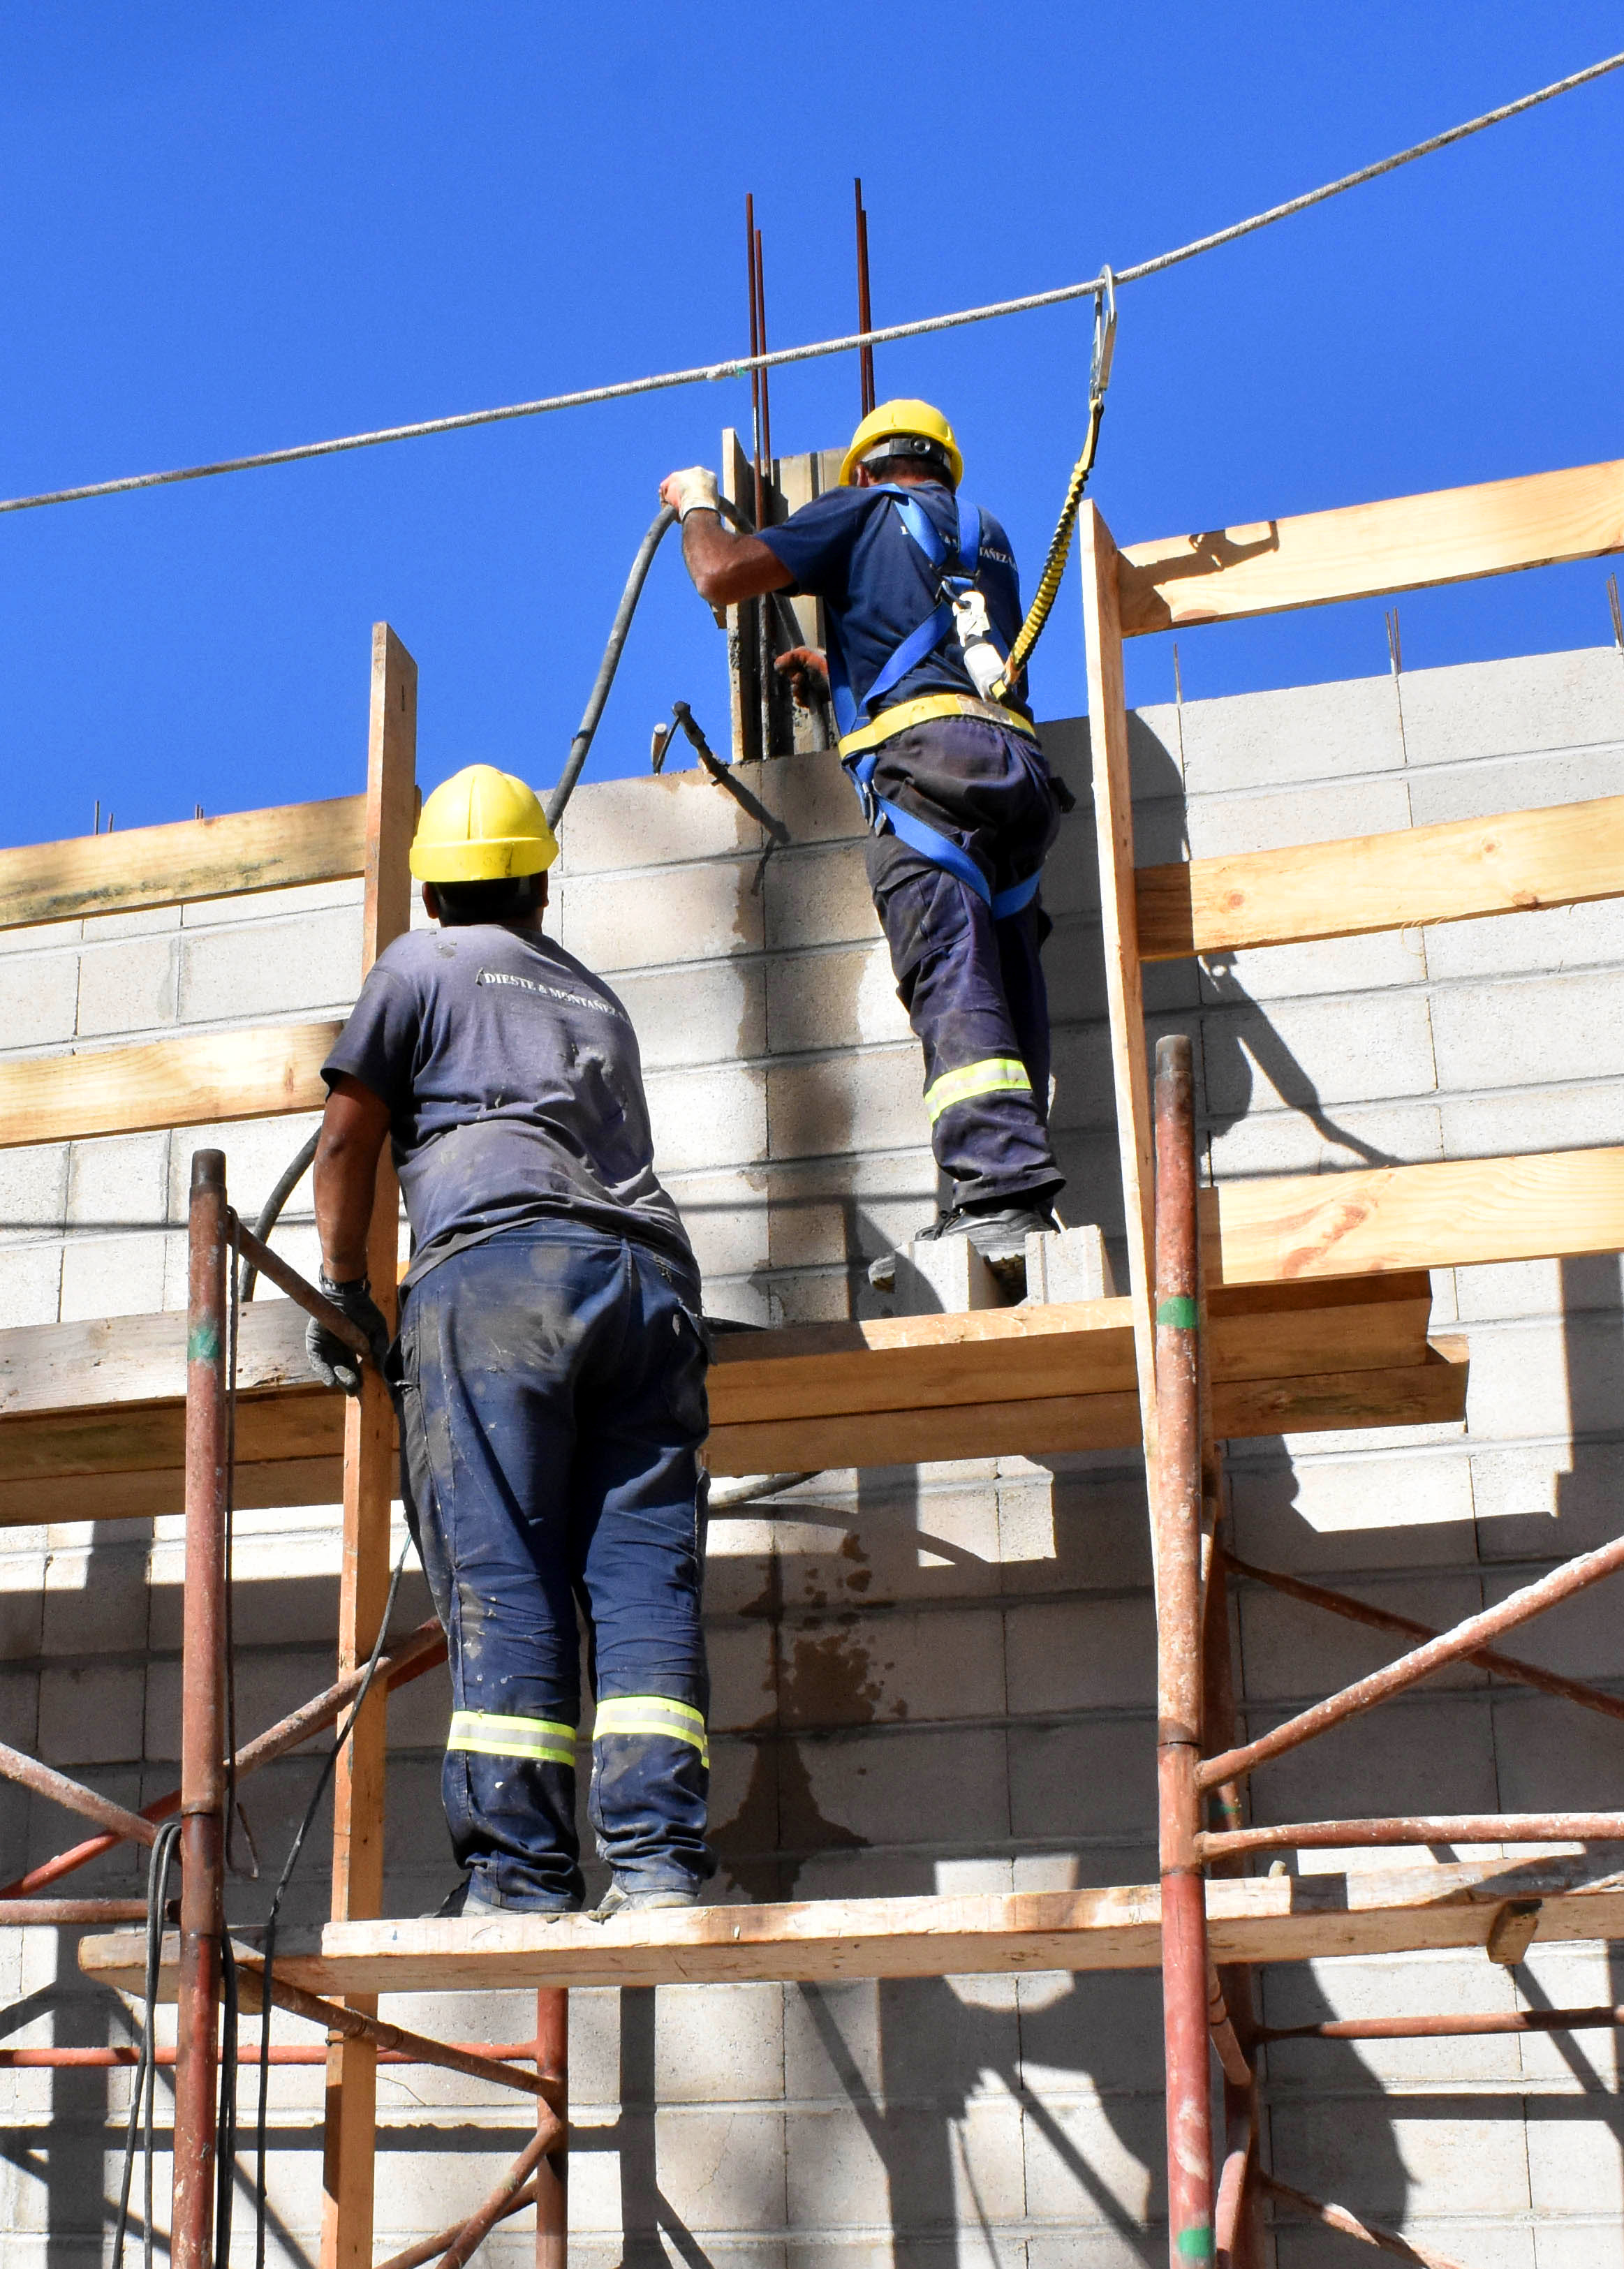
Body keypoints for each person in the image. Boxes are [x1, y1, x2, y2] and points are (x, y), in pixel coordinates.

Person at [302, 763, 718, 1919]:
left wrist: (346, 1293)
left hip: (501, 1277)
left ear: (432, 892)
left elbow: (346, 1145)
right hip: (648, 1284)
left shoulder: (419, 963)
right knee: (641, 1577)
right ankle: (659, 1864)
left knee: (505, 1572)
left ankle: (520, 1875)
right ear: (539, 885)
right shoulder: (595, 997)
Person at [663, 397, 1072, 1263]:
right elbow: (940, 641)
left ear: (863, 471)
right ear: (942, 468)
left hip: (931, 774)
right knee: (1005, 972)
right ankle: (1019, 1182)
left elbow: (722, 573)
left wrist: (699, 500)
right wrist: (836, 666)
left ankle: (998, 1187)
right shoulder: (986, 535)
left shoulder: (858, 511)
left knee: (948, 965)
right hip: (1017, 775)